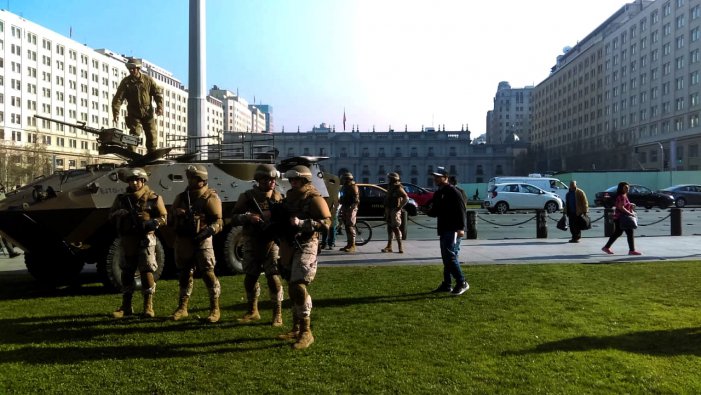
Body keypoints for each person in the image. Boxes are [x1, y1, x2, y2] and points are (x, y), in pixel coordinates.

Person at [276, 165, 331, 349]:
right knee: (291, 286)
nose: (292, 183)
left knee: (298, 285)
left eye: (296, 180)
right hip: (289, 244)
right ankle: (296, 327)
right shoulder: (289, 198)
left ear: (305, 180)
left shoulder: (314, 198)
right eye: (291, 180)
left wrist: (303, 223)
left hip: (306, 243)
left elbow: (326, 223)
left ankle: (307, 332)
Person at [108, 167, 167, 318]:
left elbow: (164, 217)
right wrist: (118, 214)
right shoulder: (122, 199)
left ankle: (148, 306)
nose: (134, 183)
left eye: (137, 180)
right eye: (131, 180)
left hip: (145, 239)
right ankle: (126, 306)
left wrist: (153, 223)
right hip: (128, 239)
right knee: (127, 272)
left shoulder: (153, 198)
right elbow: (110, 216)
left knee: (147, 271)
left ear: (143, 181)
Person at [231, 164, 285, 326]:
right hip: (251, 240)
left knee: (273, 277)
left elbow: (284, 219)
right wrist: (248, 217)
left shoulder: (277, 197)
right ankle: (253, 310)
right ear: (259, 180)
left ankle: (277, 313)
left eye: (273, 180)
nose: (271, 183)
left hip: (271, 242)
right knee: (250, 277)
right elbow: (233, 217)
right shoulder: (247, 197)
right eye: (267, 179)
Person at [170, 165, 224, 323]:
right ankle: (182, 307)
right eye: (189, 177)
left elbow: (218, 221)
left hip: (202, 239)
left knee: (208, 273)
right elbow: (170, 217)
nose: (190, 180)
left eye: (193, 177)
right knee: (184, 274)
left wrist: (208, 232)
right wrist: (177, 213)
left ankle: (215, 308)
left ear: (201, 180)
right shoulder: (182, 197)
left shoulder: (210, 197)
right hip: (184, 240)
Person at [427, 167, 469, 296]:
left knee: (450, 256)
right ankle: (447, 284)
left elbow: (462, 210)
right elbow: (435, 211)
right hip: (444, 228)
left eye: (438, 177)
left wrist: (461, 228)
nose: (435, 179)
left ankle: (462, 282)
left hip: (453, 228)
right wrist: (425, 210)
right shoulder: (439, 192)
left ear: (446, 177)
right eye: (435, 176)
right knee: (447, 258)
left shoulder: (453, 191)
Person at [112, 57, 164, 154]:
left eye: (133, 68)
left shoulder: (148, 80)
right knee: (134, 134)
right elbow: (118, 98)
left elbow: (157, 94)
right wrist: (116, 113)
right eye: (129, 69)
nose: (131, 70)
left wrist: (160, 106)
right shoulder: (126, 82)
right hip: (134, 113)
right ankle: (131, 153)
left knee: (152, 134)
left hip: (147, 113)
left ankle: (151, 153)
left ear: (138, 69)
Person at [602, 182, 642, 255]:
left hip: (619, 217)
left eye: (628, 187)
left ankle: (606, 247)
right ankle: (632, 250)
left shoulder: (623, 195)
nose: (628, 189)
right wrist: (630, 213)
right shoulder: (622, 196)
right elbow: (621, 207)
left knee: (618, 233)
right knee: (629, 232)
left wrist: (630, 204)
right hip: (622, 217)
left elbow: (621, 205)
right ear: (621, 188)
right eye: (626, 188)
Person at [381, 172, 408, 253]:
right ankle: (389, 246)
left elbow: (406, 197)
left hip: (394, 210)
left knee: (395, 227)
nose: (388, 179)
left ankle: (400, 246)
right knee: (389, 227)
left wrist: (399, 207)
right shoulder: (390, 186)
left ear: (393, 179)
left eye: (389, 178)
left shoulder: (398, 187)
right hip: (389, 209)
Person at [338, 172, 359, 253]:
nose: (343, 180)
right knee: (346, 226)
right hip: (345, 206)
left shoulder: (353, 187)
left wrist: (352, 208)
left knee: (350, 226)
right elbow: (342, 195)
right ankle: (349, 244)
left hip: (351, 208)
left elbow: (356, 200)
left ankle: (352, 245)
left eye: (344, 179)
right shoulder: (344, 187)